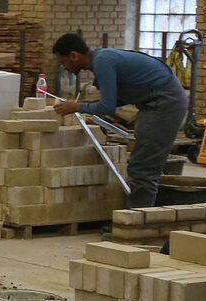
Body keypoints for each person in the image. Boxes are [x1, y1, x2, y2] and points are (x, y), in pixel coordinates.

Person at [52, 33, 186, 209]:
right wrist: (85, 105)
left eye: (64, 62)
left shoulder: (102, 62)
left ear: (74, 55)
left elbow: (108, 108)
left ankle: (138, 222)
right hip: (154, 100)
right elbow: (114, 99)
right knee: (141, 161)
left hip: (164, 102)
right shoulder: (101, 58)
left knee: (144, 166)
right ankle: (138, 212)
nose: (65, 67)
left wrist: (76, 107)